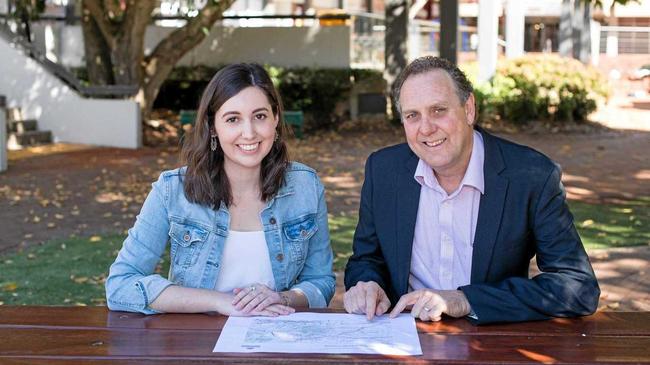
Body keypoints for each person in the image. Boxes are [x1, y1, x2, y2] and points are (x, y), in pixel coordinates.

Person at [343, 56, 600, 325]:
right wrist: (368, 285)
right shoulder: (383, 170)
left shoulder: (531, 176)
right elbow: (366, 259)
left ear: (469, 109)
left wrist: (465, 299)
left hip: (489, 340)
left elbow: (577, 286)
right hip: (404, 336)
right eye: (412, 116)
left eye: (439, 110)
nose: (426, 128)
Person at [106, 63, 335, 316]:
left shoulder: (305, 186)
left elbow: (321, 282)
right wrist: (219, 302)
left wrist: (283, 298)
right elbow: (120, 285)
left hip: (276, 341)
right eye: (233, 119)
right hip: (197, 345)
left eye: (260, 116)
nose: (249, 133)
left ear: (276, 119)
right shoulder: (172, 191)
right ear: (213, 126)